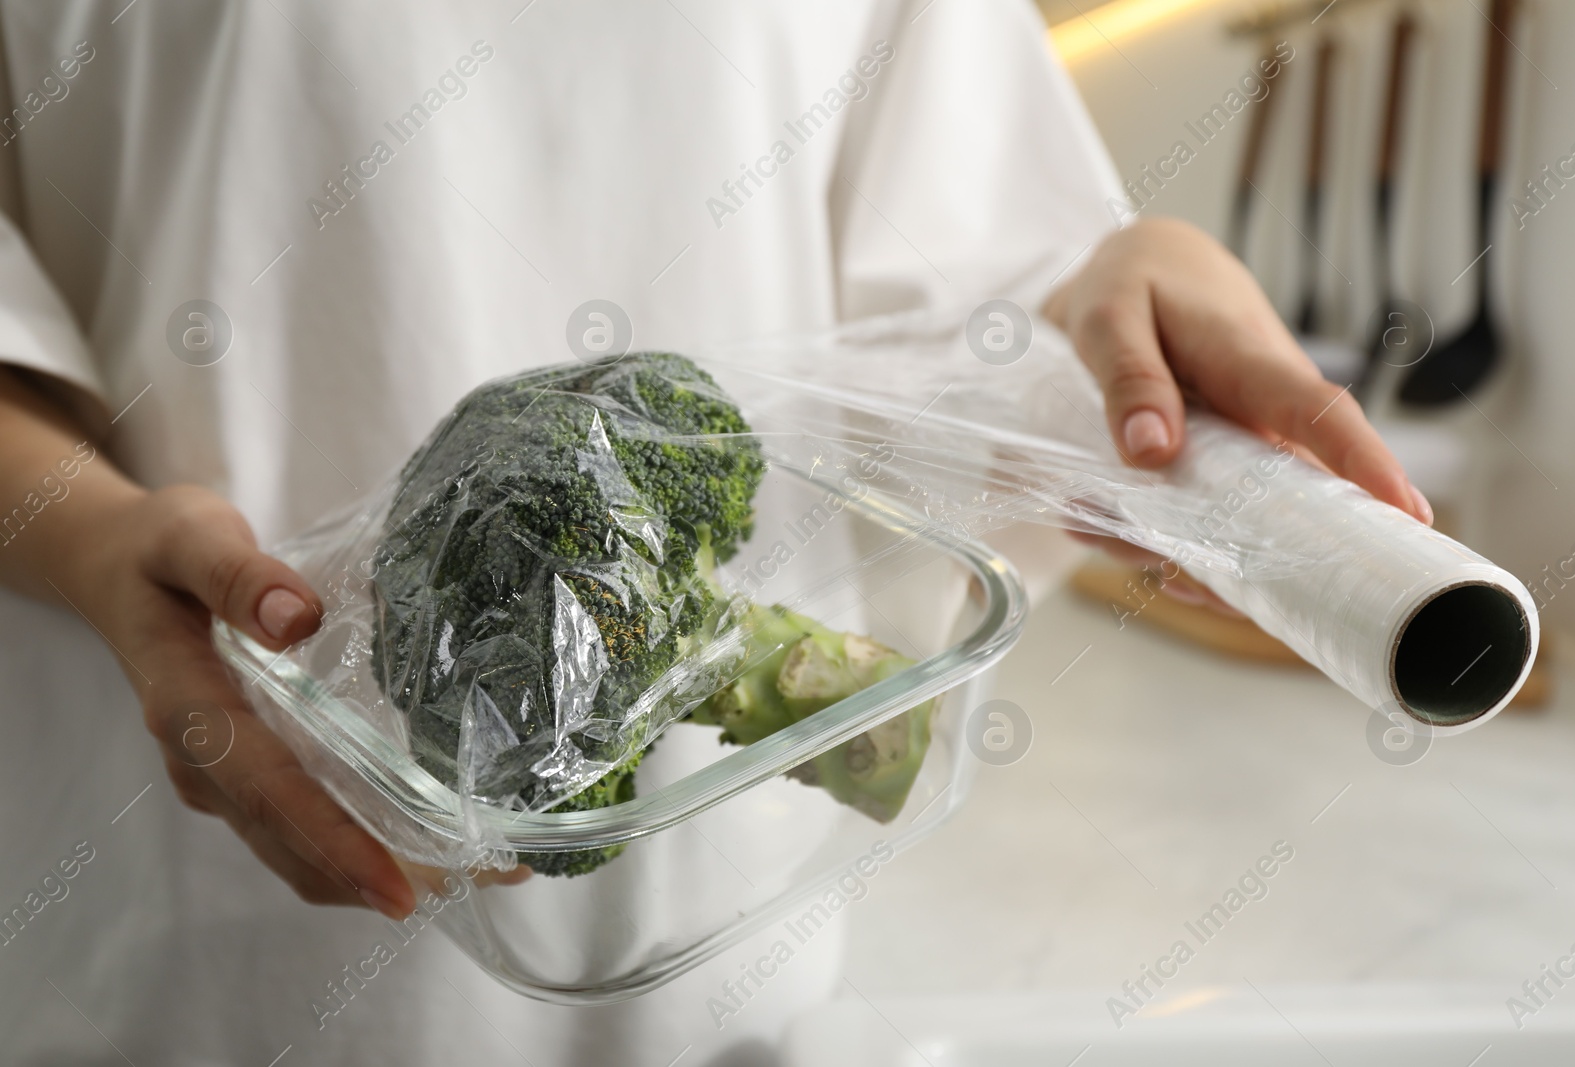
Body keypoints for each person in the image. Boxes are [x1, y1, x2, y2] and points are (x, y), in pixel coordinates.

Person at [0, 2, 1429, 1064]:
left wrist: (1120, 271)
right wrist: (97, 540)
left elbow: (990, 275)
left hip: (729, 961)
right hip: (178, 945)